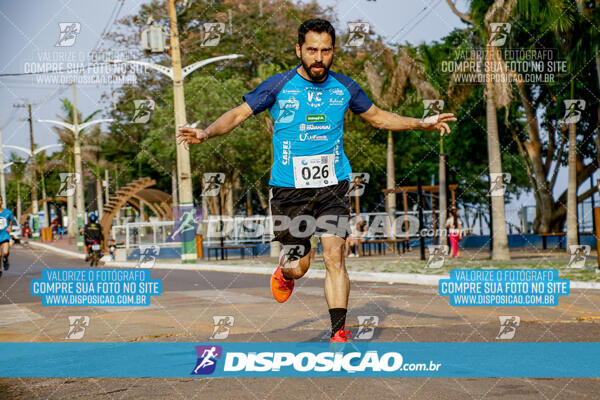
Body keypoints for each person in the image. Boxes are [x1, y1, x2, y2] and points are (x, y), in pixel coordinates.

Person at [176, 18, 455, 343]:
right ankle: (285, 271)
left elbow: (379, 117)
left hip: (332, 185)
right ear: (299, 50)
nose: (318, 57)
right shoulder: (278, 86)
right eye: (312, 50)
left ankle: (338, 332)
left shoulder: (345, 88)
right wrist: (206, 132)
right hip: (289, 191)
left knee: (335, 256)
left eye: (325, 50)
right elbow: (238, 114)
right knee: (301, 267)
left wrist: (421, 123)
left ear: (333, 51)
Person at [0, 196, 14, 275]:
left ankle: (5, 259)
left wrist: (10, 227)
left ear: (2, 202)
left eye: (0, 200)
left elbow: (11, 221)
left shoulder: (7, 212)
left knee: (5, 253)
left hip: (5, 236)